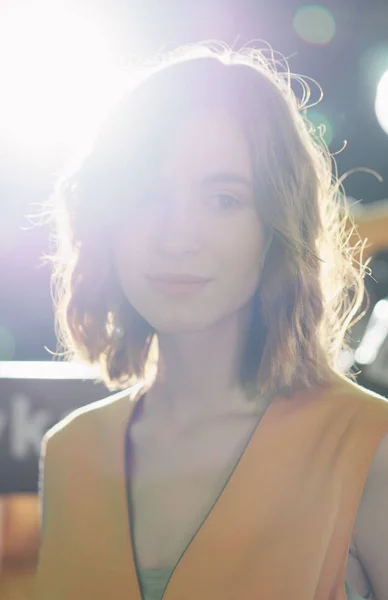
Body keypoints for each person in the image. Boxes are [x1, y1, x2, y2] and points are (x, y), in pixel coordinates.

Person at [34, 43, 388, 600]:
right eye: (146, 194)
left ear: (277, 224)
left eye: (223, 199)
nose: (177, 237)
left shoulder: (368, 445)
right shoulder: (71, 450)